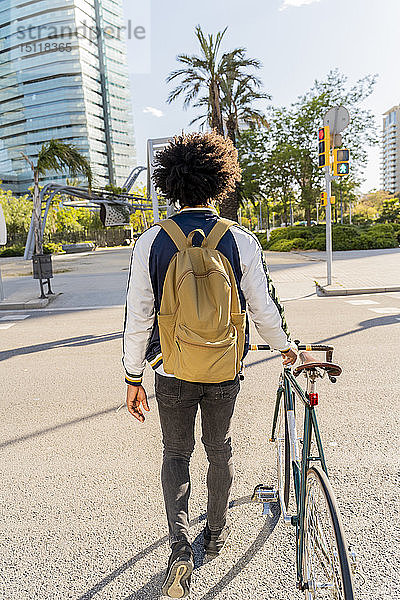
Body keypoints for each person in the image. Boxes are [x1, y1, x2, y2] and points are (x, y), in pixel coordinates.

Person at [122, 131, 297, 598]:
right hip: (224, 367)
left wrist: (132, 376)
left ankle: (179, 550)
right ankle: (215, 534)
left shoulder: (151, 242)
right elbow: (261, 306)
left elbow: (138, 315)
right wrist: (285, 347)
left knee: (176, 454)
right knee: (219, 449)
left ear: (171, 185)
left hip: (171, 369)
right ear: (220, 181)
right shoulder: (240, 239)